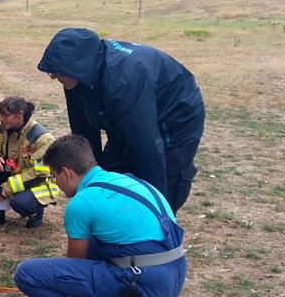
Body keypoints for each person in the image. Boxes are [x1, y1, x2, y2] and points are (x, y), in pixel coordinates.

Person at [13, 135, 186, 297]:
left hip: (144, 286)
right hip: (175, 275)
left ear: (66, 172)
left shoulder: (82, 203)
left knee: (27, 274)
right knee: (97, 239)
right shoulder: (132, 182)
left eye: (54, 177)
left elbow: (76, 264)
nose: (56, 184)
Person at [37, 27, 204, 214]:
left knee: (163, 179)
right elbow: (83, 138)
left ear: (77, 66)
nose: (53, 77)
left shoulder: (124, 80)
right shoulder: (76, 77)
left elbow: (147, 146)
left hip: (174, 117)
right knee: (110, 175)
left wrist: (154, 206)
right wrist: (88, 188)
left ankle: (157, 230)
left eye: (56, 72)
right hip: (127, 113)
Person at [0, 96, 60, 229]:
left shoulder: (42, 138)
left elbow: (38, 175)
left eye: (5, 115)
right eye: (0, 114)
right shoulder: (1, 128)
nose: (1, 118)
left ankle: (35, 212)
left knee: (20, 203)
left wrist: (7, 188)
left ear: (20, 114)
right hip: (14, 175)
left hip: (38, 183)